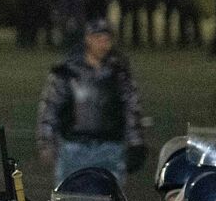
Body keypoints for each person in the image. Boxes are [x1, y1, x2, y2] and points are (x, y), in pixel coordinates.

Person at [35, 18, 146, 188]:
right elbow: (50, 107)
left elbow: (131, 108)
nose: (103, 44)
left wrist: (136, 142)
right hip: (73, 149)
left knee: (111, 200)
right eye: (98, 38)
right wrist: (45, 141)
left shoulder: (118, 72)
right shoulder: (68, 72)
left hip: (110, 148)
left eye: (107, 39)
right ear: (88, 39)